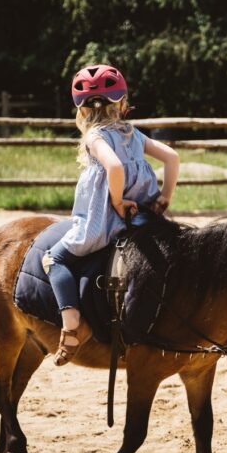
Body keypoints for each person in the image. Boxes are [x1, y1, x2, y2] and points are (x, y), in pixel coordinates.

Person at [43, 64, 180, 366]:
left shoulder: (95, 137)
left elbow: (114, 167)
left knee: (54, 259)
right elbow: (172, 157)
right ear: (121, 103)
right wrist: (165, 197)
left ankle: (71, 325)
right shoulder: (133, 133)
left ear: (81, 110)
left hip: (106, 221)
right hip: (143, 218)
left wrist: (117, 202)